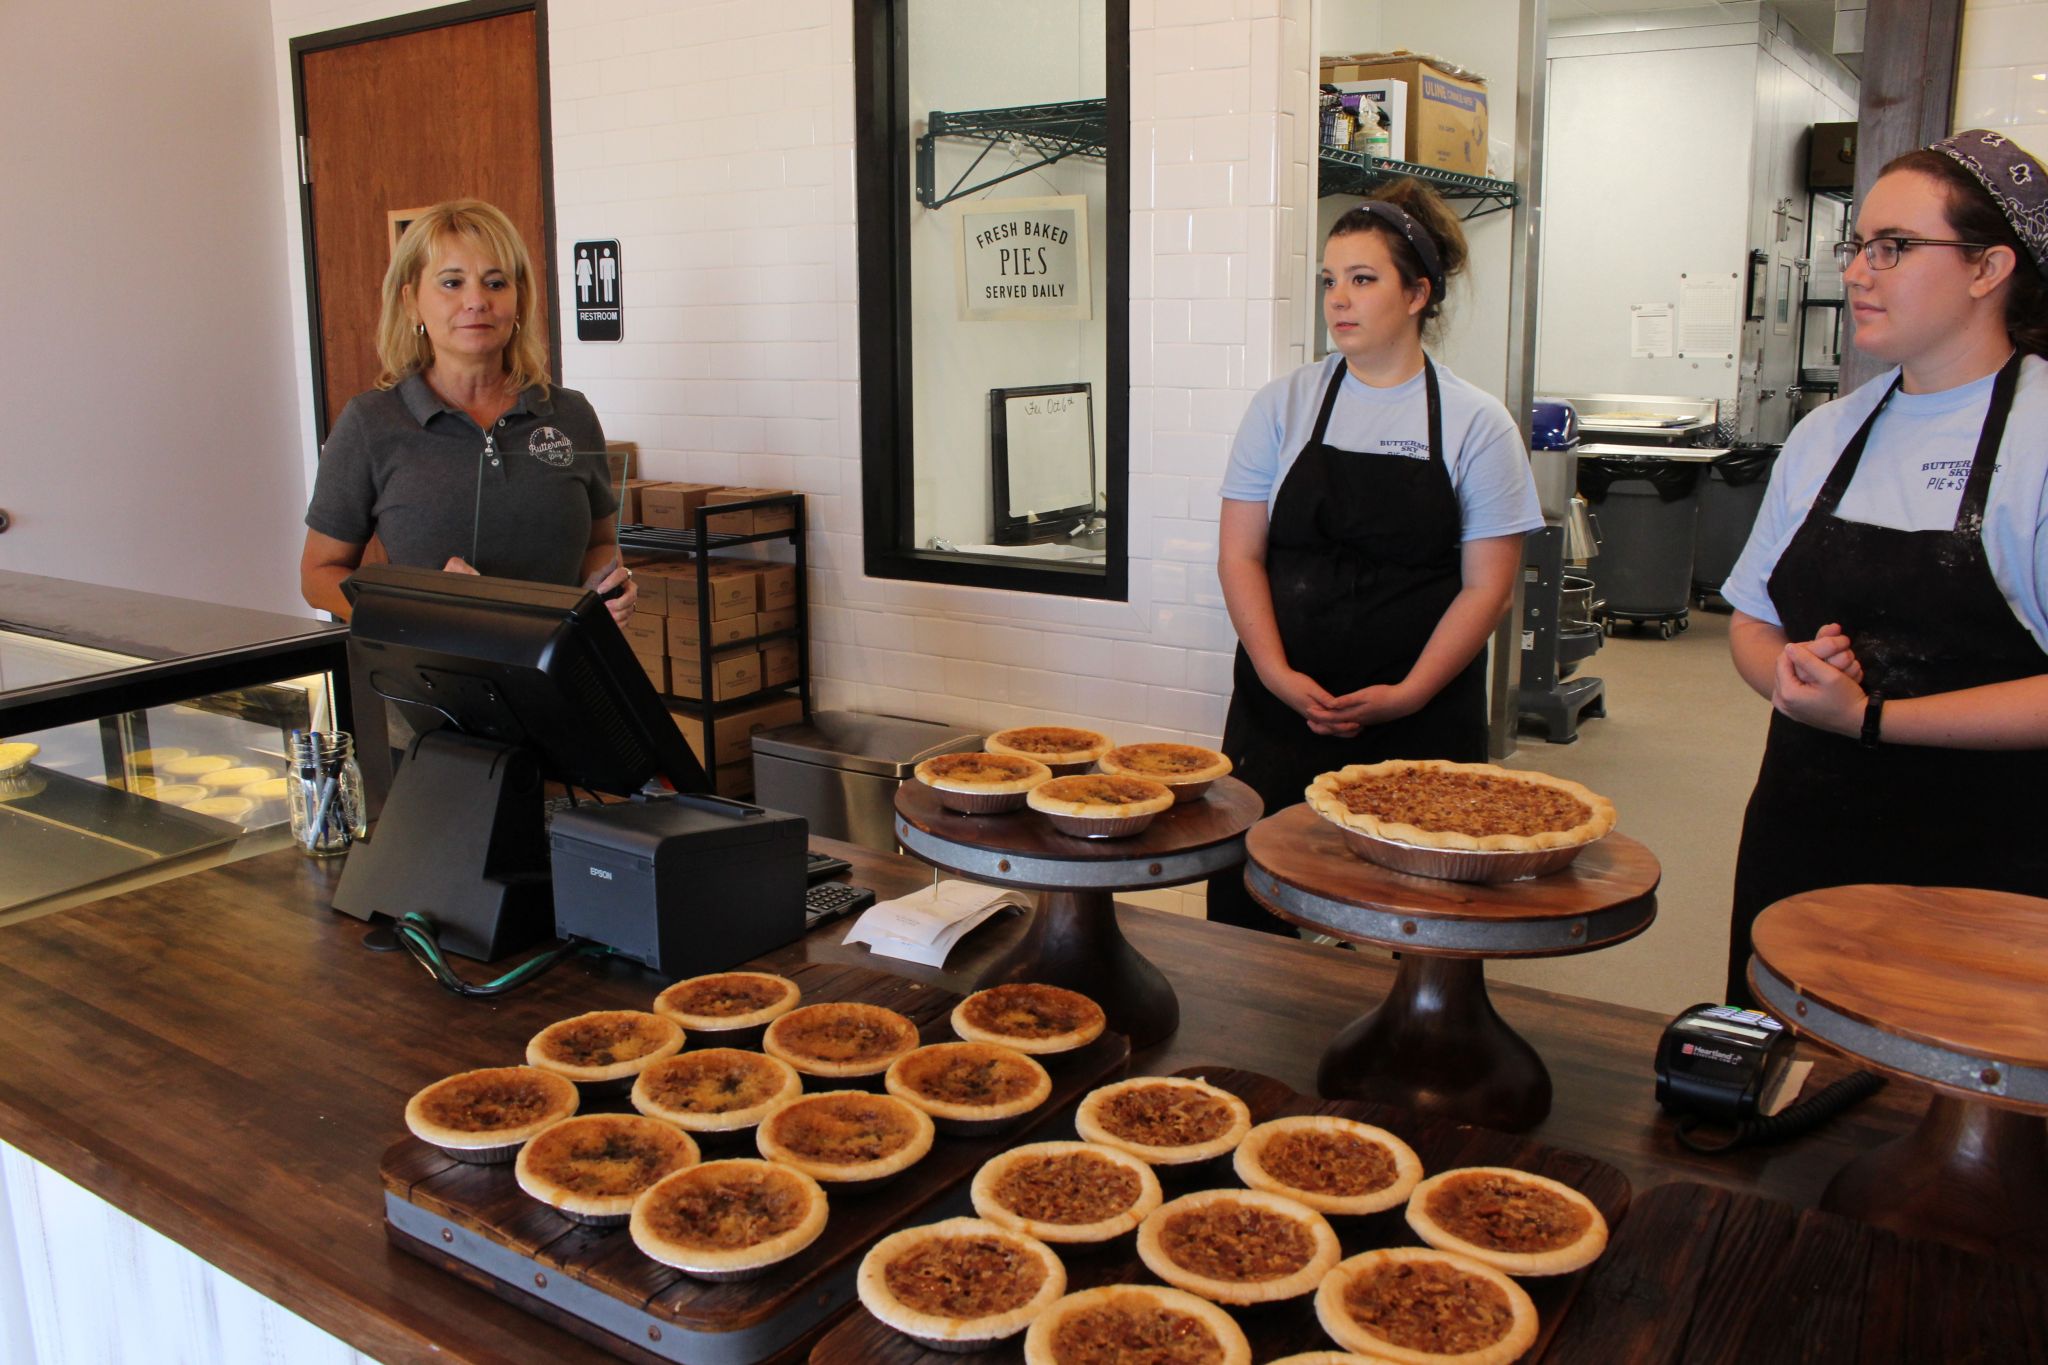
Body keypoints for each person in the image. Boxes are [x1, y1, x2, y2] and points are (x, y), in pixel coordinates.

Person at [1720, 130, 2048, 1007]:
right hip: (1804, 835)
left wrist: (1869, 718)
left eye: (1893, 248)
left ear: (1989, 269)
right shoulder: (1828, 433)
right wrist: (1788, 679)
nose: (1858, 272)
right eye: (1857, 246)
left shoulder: (2043, 438)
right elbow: (1752, 616)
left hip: (1984, 863)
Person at [1208, 181, 1543, 932]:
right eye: (1330, 281)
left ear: (1418, 292)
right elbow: (1239, 555)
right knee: (1252, 893)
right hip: (1282, 709)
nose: (1339, 300)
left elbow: (1487, 588)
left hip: (1420, 717)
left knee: (1420, 913)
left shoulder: (1475, 425)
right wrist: (1275, 673)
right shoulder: (1283, 405)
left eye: (1363, 279)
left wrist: (1412, 691)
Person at [300, 199, 634, 624]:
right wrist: (414, 608)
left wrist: (608, 588)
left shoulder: (570, 415)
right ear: (411, 302)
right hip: (433, 677)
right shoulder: (371, 423)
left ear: (519, 299)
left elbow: (599, 544)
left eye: (495, 284)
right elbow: (317, 574)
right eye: (452, 283)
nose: (476, 301)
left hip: (556, 674)